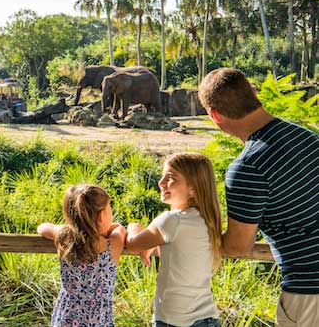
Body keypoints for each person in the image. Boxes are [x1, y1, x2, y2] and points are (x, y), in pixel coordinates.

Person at [198, 67, 319, 327]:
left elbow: (237, 247)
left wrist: (189, 234)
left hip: (309, 291)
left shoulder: (247, 167)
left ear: (215, 115)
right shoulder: (309, 139)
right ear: (253, 94)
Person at [125, 153, 222, 327]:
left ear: (193, 187)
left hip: (174, 321)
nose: (160, 182)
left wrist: (134, 227)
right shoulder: (206, 220)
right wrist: (155, 242)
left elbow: (132, 244)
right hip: (207, 318)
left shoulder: (172, 220)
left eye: (170, 178)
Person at [37, 184, 127, 327]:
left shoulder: (64, 238)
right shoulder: (112, 245)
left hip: (66, 318)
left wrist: (65, 228)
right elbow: (120, 229)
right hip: (98, 321)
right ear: (101, 216)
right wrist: (109, 228)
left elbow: (42, 228)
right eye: (109, 209)